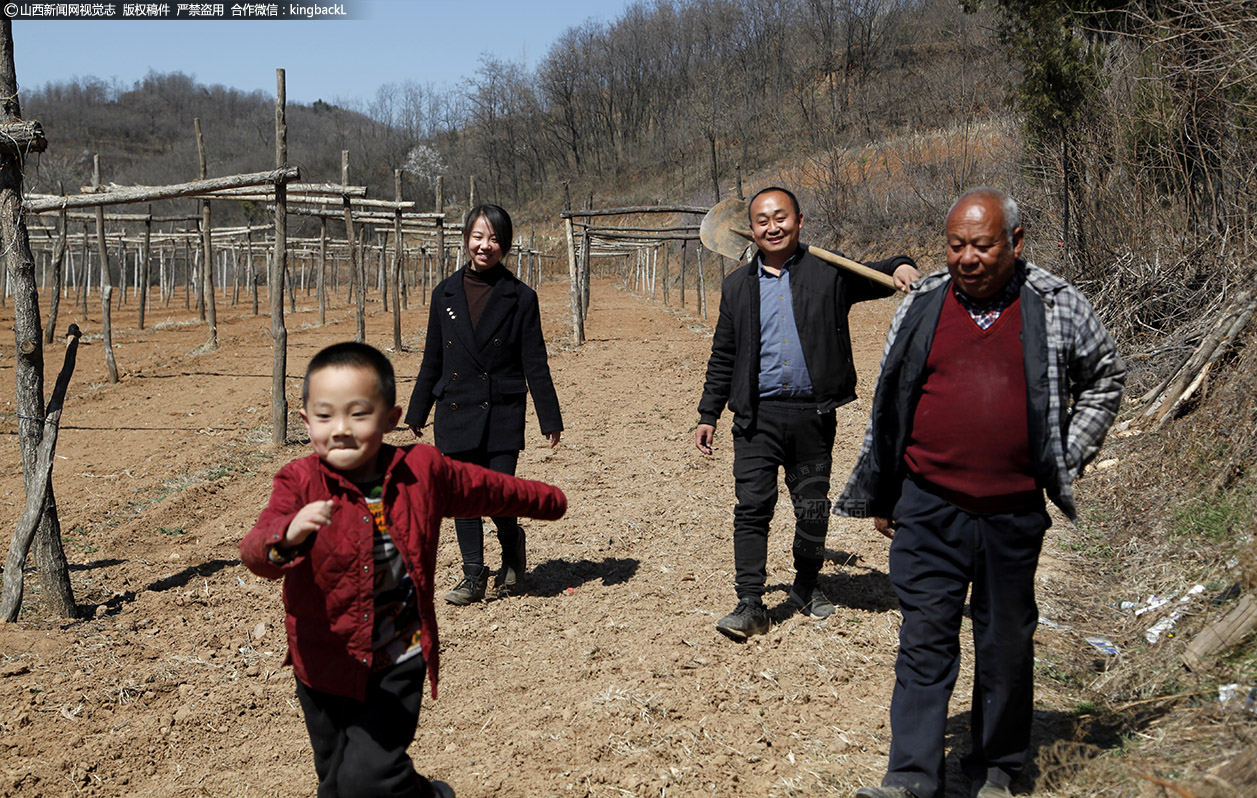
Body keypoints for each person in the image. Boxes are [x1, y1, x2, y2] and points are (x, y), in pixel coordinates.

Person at [837, 188, 1126, 798]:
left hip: (1012, 511)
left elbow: (1104, 377)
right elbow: (891, 399)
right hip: (928, 504)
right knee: (924, 639)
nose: (967, 258)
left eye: (982, 245)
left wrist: (1065, 457)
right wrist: (886, 490)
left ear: (1015, 244)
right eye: (956, 245)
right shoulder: (923, 304)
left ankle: (996, 770)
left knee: (1005, 642)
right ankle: (911, 777)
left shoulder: (1055, 304)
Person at [241, 342, 566, 798]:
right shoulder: (298, 482)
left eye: (358, 414)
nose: (340, 430)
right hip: (322, 662)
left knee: (368, 776)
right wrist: (287, 534)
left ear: (390, 419)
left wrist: (549, 500)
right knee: (335, 783)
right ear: (305, 420)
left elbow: (488, 488)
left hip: (396, 658)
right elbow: (255, 550)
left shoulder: (421, 470)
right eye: (325, 415)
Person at [694, 186, 920, 641]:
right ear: (750, 229)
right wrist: (709, 412)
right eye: (762, 220)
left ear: (799, 221)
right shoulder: (737, 286)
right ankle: (750, 602)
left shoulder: (829, 271)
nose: (772, 227)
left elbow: (879, 273)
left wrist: (900, 266)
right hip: (756, 419)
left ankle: (806, 585)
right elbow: (723, 353)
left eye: (781, 218)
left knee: (812, 508)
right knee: (753, 506)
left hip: (814, 417)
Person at [405, 204, 563, 605]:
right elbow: (433, 358)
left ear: (505, 245)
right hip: (455, 406)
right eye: (478, 237)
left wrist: (549, 416)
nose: (485, 246)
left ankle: (512, 546)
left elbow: (535, 360)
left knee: (497, 494)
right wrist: (417, 410)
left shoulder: (520, 297)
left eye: (494, 239)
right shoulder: (445, 294)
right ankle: (473, 573)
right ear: (466, 240)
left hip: (501, 411)